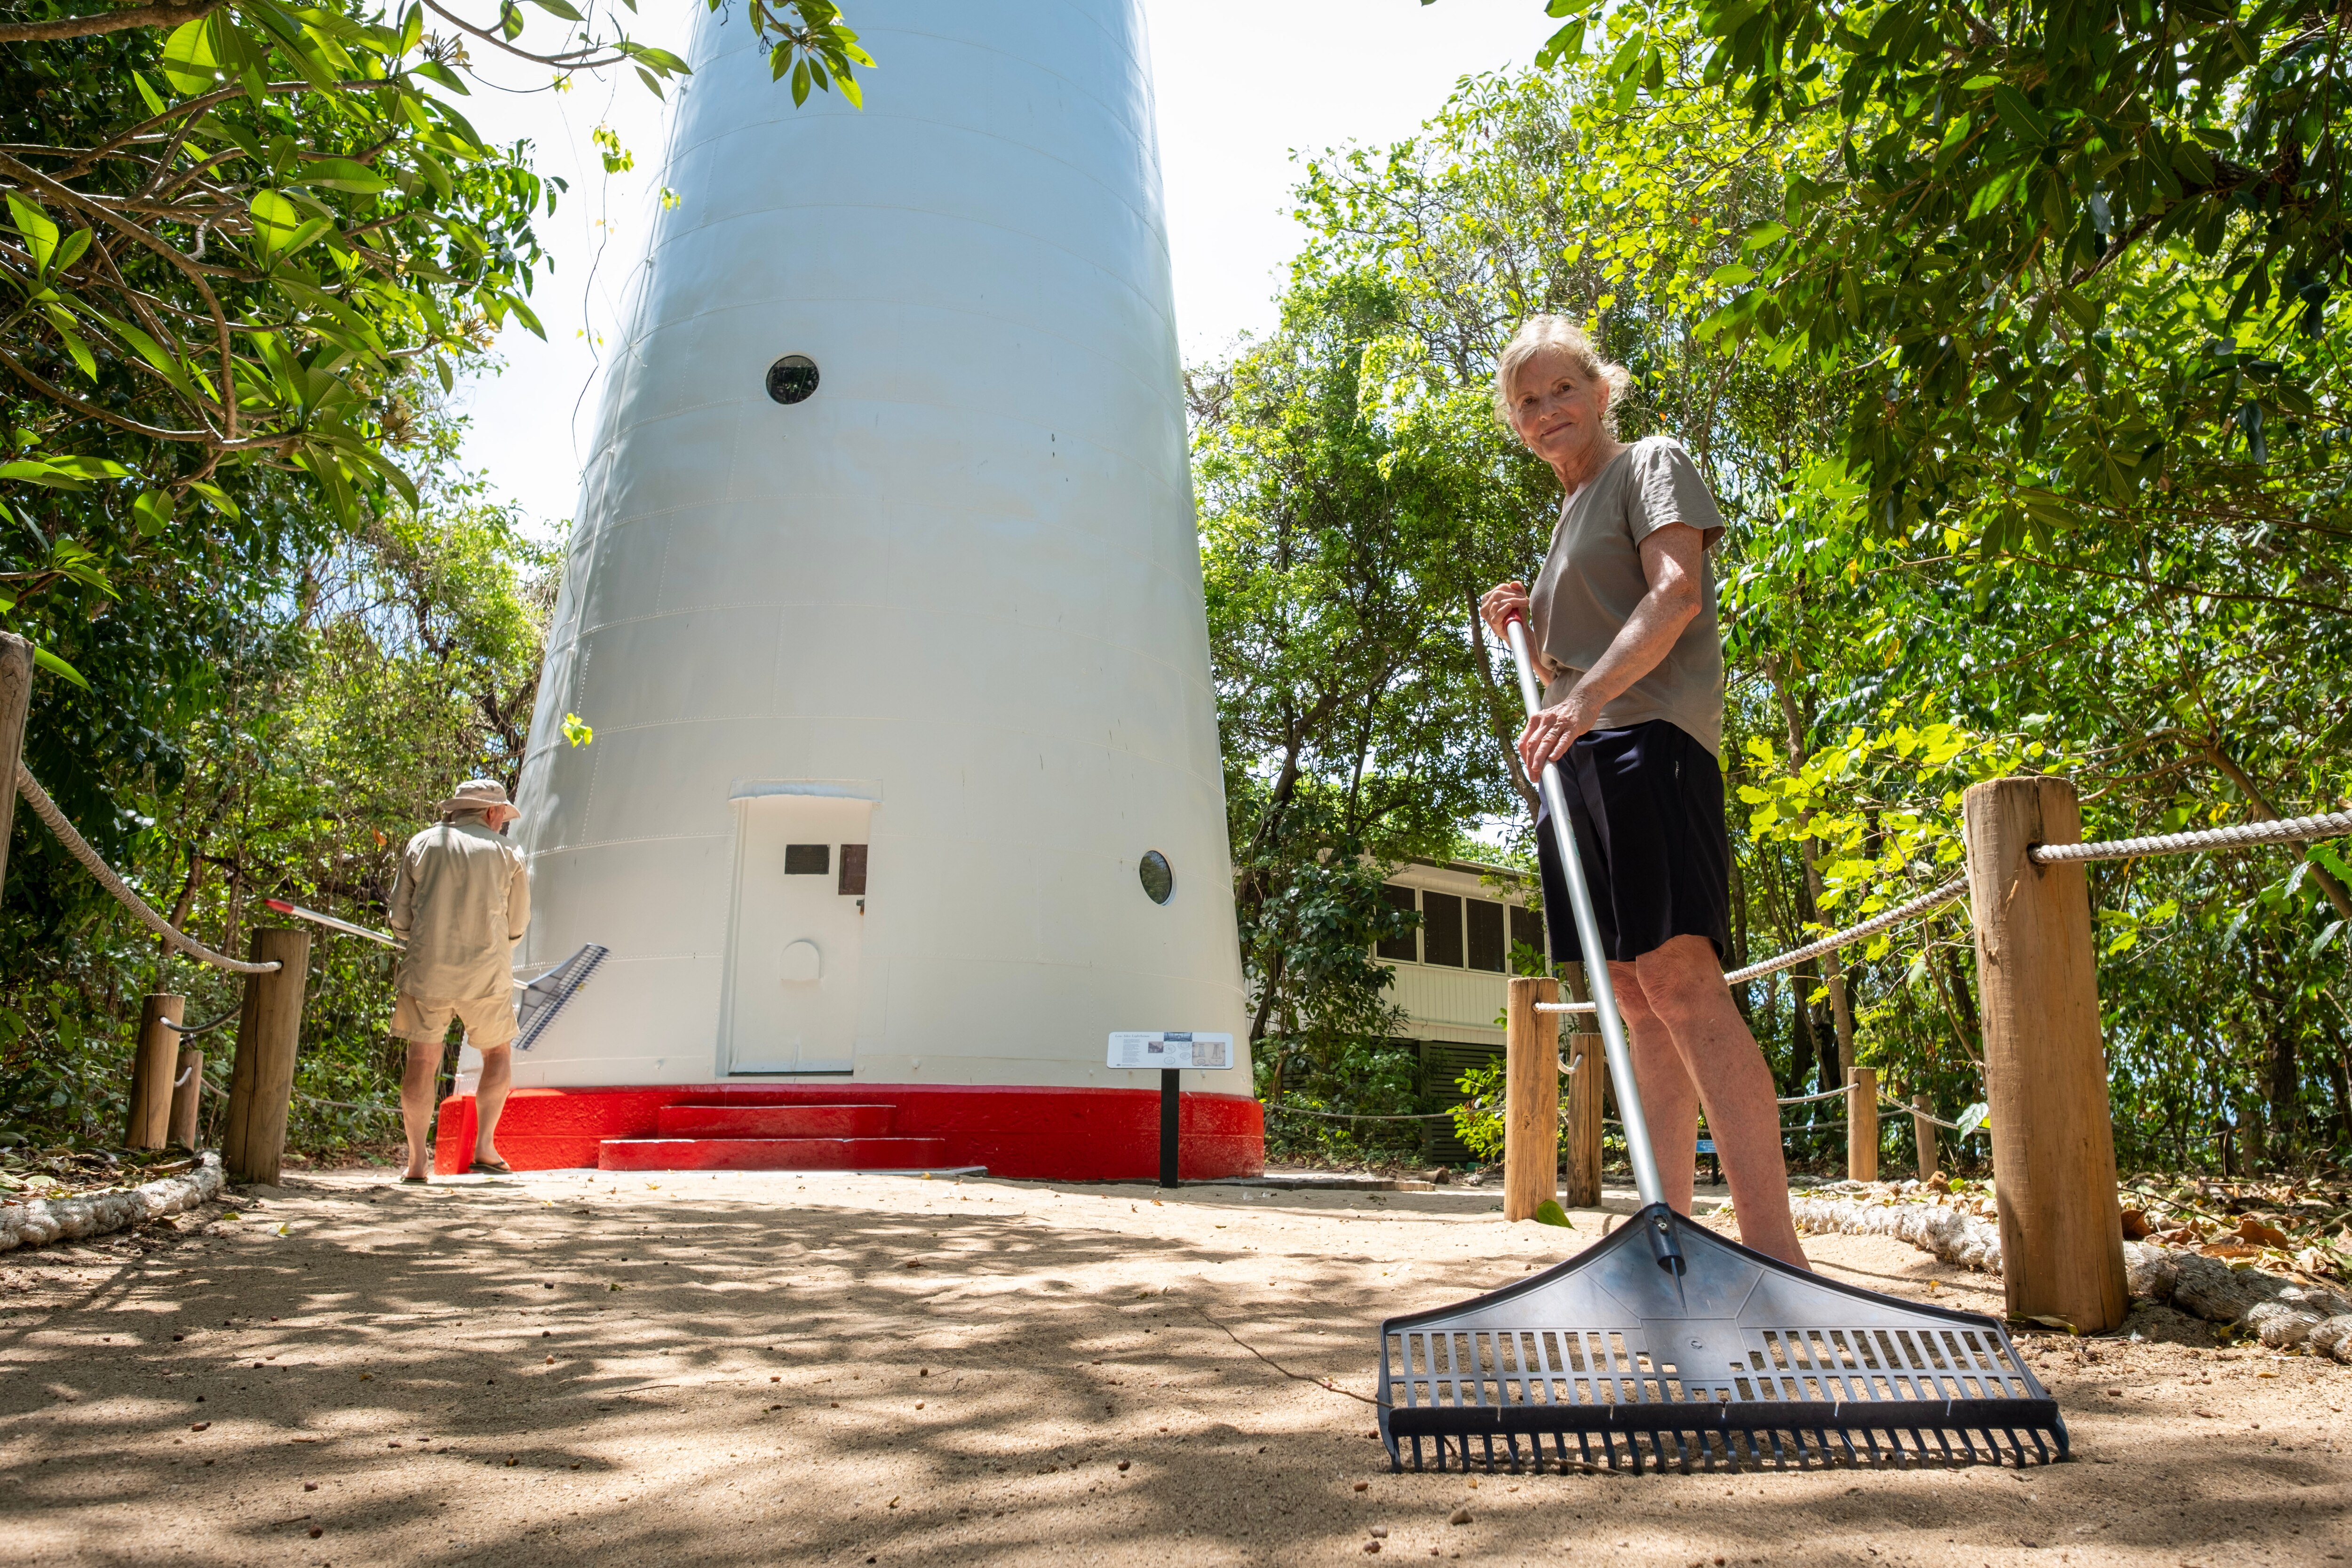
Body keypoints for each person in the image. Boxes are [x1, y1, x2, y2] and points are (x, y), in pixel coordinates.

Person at [1478, 315, 1809, 1269]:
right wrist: (1526, 625)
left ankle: (1777, 1256)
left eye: (1562, 389)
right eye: (1528, 400)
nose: (1548, 411)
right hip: (1577, 760)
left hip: (1647, 746)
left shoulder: (1647, 465)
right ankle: (1669, 1239)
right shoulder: (1563, 521)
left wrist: (1576, 699)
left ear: (1601, 391)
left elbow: (1674, 597)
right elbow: (1564, 662)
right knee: (1630, 995)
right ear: (1516, 421)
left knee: (1680, 980)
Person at [388, 778, 531, 1181]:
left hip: (427, 969)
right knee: (497, 1055)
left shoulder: (422, 843)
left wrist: (420, 941)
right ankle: (485, 1147)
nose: (504, 822)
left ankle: (417, 1163)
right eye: (503, 814)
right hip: (487, 971)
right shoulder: (509, 853)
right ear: (491, 812)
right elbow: (518, 924)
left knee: (422, 1060)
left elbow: (400, 919)